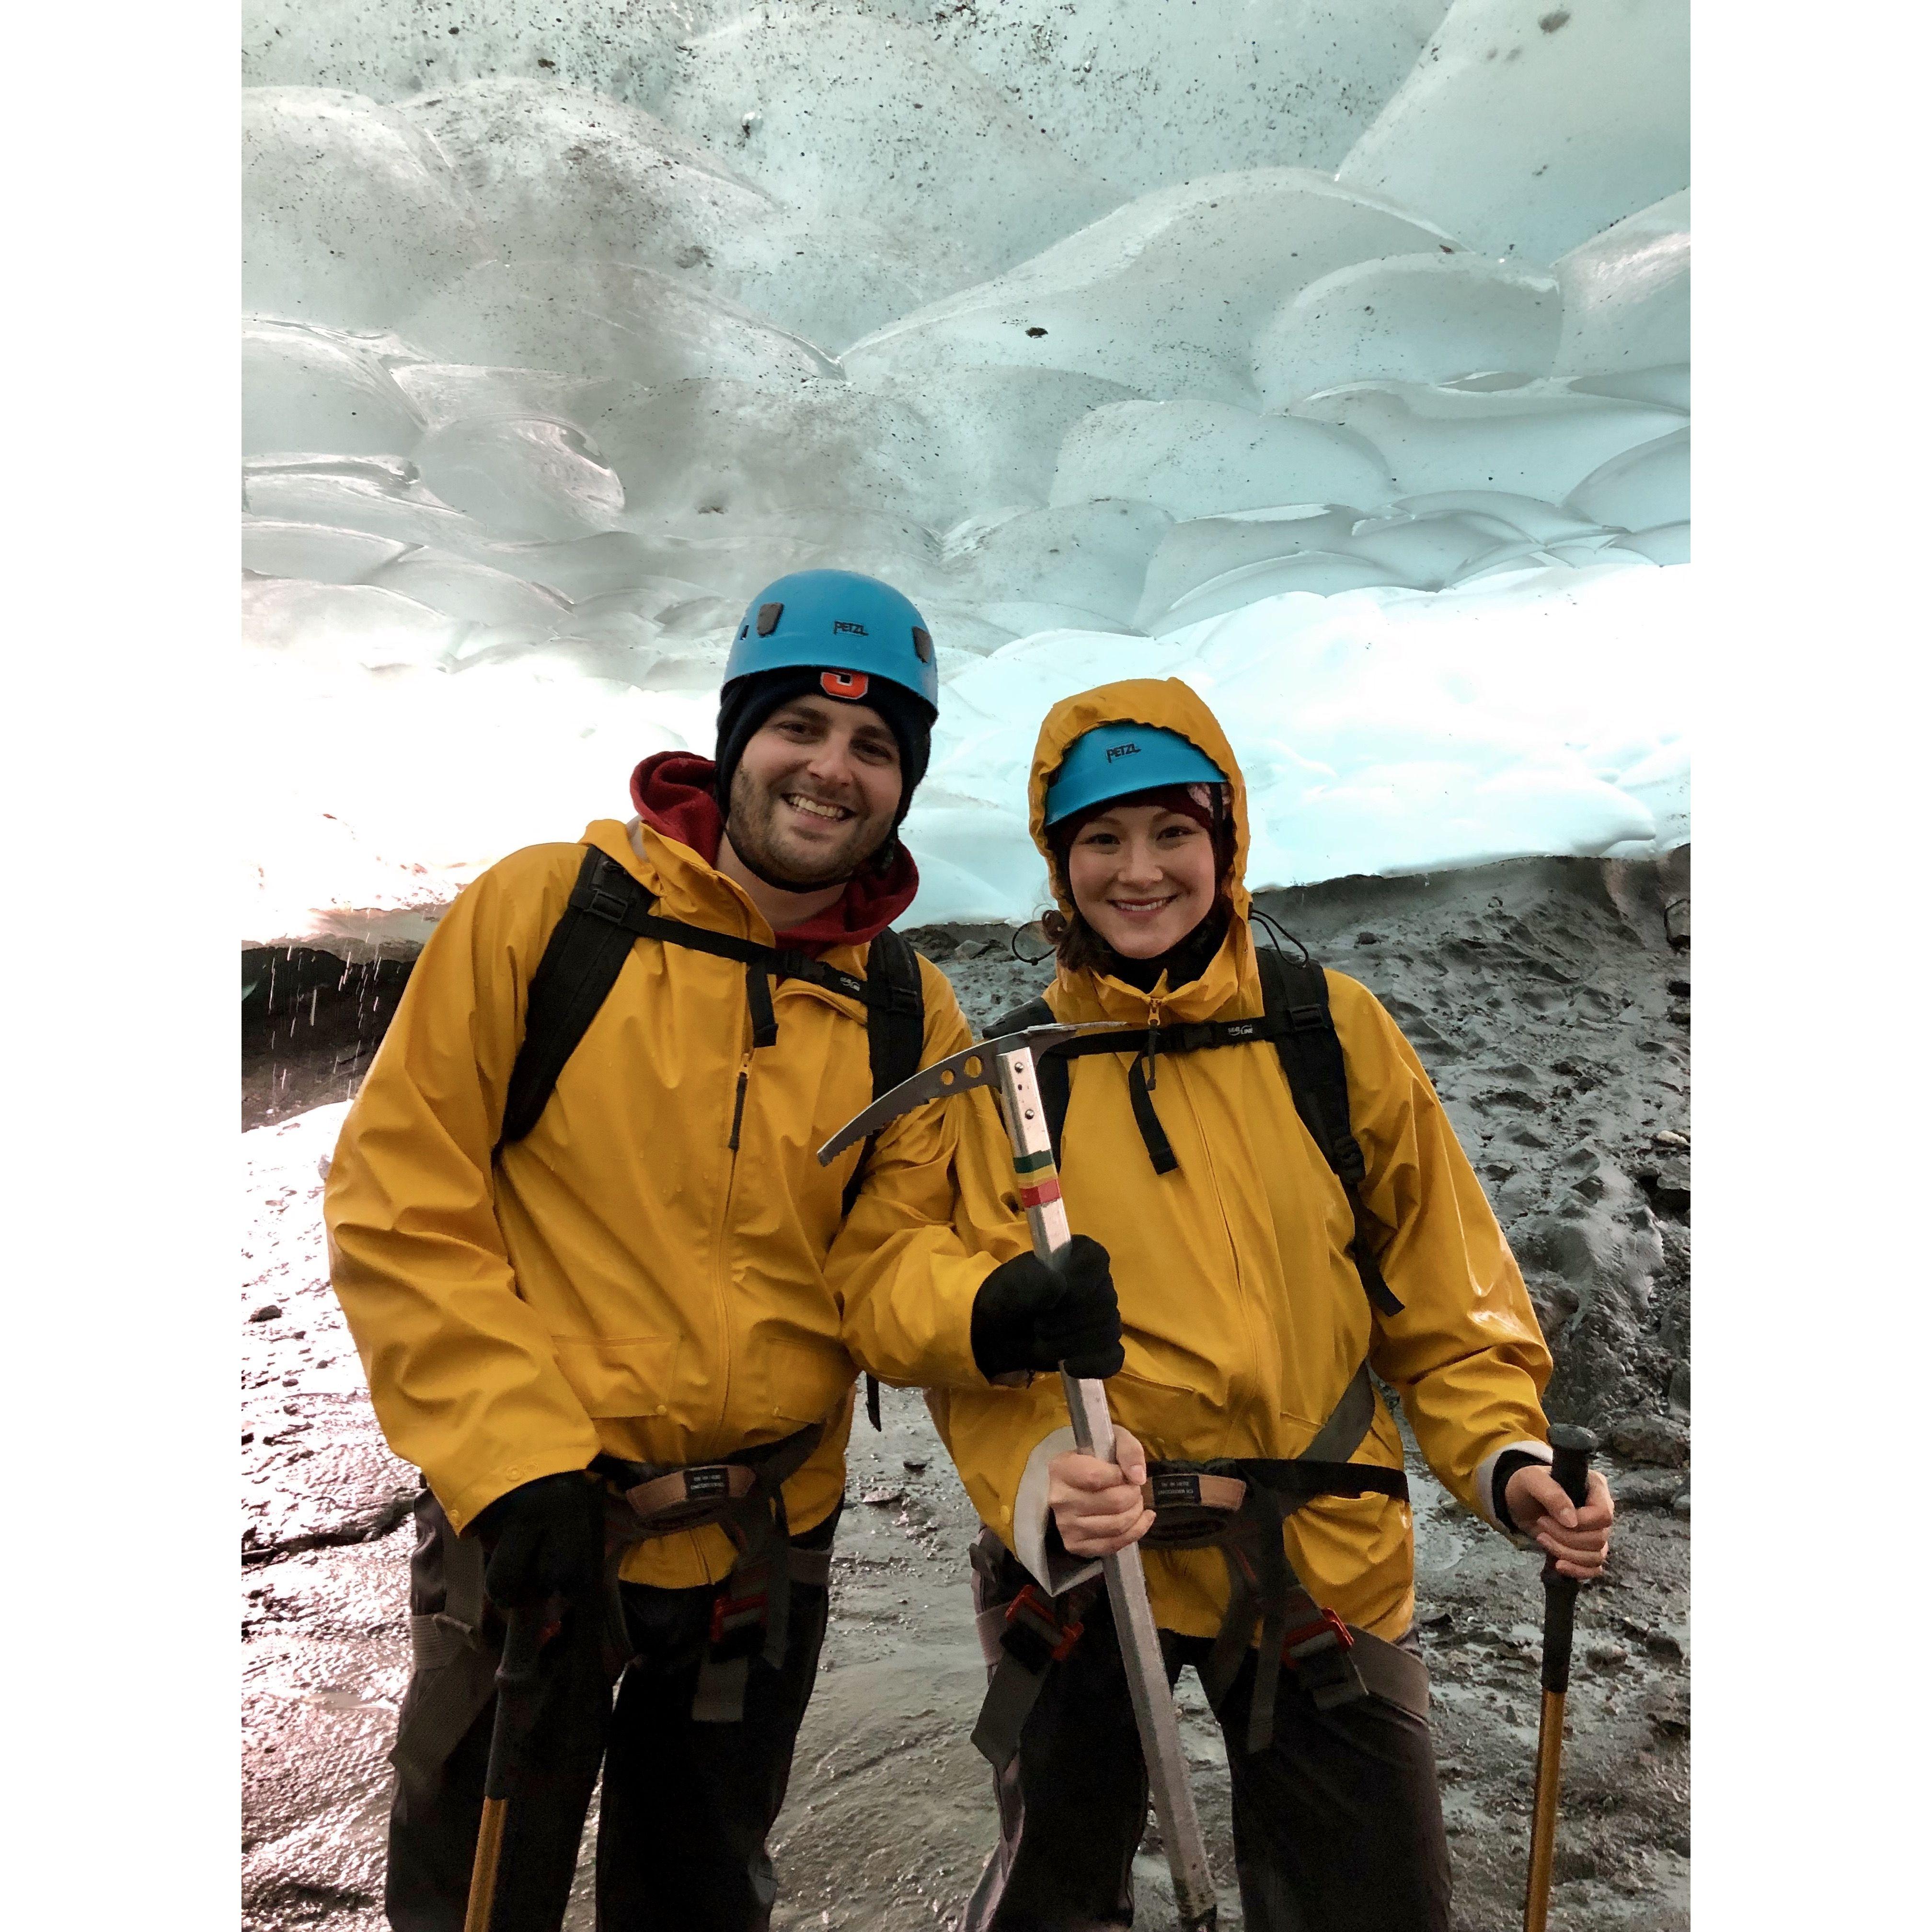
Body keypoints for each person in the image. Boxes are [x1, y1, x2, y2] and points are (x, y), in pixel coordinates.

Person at [322, 568, 1122, 1932]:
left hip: (765, 1548)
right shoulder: (547, 919)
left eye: (877, 746)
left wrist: (991, 1311)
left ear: (905, 783)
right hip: (536, 1533)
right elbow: (401, 1200)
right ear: (736, 734)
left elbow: (884, 1269)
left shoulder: (900, 1008)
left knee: (700, 1900)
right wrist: (513, 1467)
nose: (832, 769)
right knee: (471, 1902)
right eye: (802, 725)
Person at [899, 677, 1616, 1932]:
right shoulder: (1009, 1082)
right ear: (1057, 862)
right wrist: (1042, 1481)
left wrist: (1508, 1457)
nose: (1139, 871)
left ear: (1224, 842)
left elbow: (1446, 1302)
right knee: (1060, 1903)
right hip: (1089, 1567)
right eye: (1100, 839)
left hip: (1319, 1552)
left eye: (1172, 831)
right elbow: (964, 1336)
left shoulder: (1332, 1038)